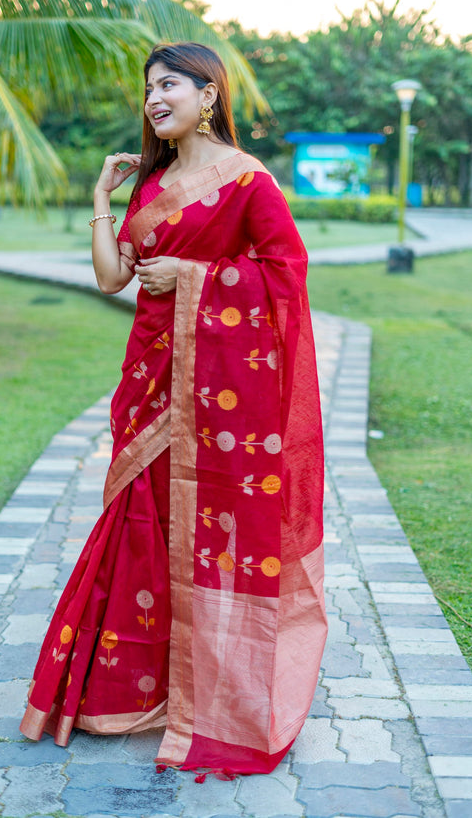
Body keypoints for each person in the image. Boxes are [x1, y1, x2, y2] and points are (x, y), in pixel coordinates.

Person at [20, 42, 327, 776]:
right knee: (137, 518)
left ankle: (209, 690)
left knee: (201, 526)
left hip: (215, 396)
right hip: (150, 380)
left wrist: (193, 274)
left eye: (170, 86)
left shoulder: (247, 182)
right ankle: (132, 687)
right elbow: (111, 278)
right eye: (150, 88)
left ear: (208, 95)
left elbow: (285, 274)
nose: (155, 99)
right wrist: (101, 198)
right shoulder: (151, 183)